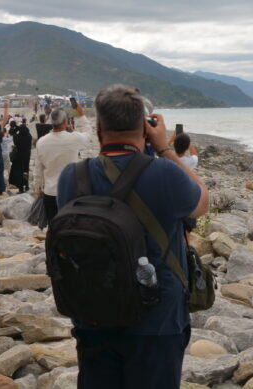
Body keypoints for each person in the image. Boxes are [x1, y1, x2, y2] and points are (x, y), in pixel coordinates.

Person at [56, 85, 209, 388]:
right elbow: (203, 201)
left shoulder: (71, 177)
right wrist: (164, 147)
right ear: (145, 128)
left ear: (99, 129)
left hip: (93, 316)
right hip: (157, 321)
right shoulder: (165, 174)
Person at [33, 105, 90, 225]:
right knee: (70, 227)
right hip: (70, 191)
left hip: (50, 192)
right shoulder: (74, 138)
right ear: (65, 122)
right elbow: (88, 134)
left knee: (53, 227)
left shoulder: (41, 142)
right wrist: (81, 115)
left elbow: (38, 169)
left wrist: (38, 189)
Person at [7, 116, 34, 194]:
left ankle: (21, 188)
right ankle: (27, 185)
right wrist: (20, 127)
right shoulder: (29, 137)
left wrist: (16, 127)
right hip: (27, 157)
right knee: (26, 171)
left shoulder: (17, 137)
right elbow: (25, 131)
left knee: (19, 172)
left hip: (19, 157)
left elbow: (13, 133)